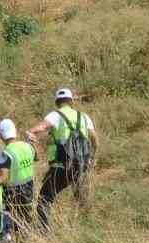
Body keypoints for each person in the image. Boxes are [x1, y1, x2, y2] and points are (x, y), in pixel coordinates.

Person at [27, 88, 98, 230]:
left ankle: (43, 232)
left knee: (44, 198)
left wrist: (30, 132)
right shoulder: (84, 117)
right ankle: (84, 228)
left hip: (62, 166)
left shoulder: (56, 115)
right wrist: (91, 158)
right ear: (71, 101)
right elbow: (95, 139)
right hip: (82, 165)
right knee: (81, 199)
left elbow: (41, 127)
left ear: (57, 102)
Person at [0, 118, 38, 231]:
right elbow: (36, 157)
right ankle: (25, 239)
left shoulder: (5, 153)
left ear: (0, 135)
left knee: (13, 220)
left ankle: (16, 241)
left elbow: (4, 177)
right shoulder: (28, 146)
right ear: (15, 131)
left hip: (13, 193)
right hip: (29, 188)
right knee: (26, 218)